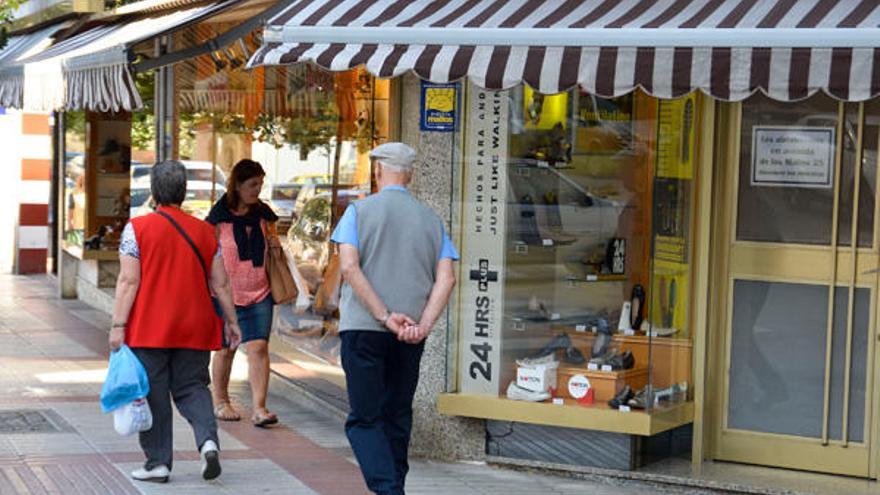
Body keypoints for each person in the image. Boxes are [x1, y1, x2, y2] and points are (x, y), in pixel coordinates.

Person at [331, 142, 458, 495]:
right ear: (411, 174)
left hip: (363, 329)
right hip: (410, 336)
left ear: (377, 171)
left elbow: (349, 267)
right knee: (397, 416)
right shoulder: (432, 220)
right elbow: (447, 278)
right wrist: (423, 325)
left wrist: (384, 316)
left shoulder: (357, 212)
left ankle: (389, 490)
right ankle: (395, 486)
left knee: (364, 419)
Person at [109, 160, 242, 483]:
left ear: (154, 191)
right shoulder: (205, 232)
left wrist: (117, 325)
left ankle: (158, 464)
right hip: (195, 324)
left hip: (149, 327)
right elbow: (221, 283)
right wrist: (232, 321)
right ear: (183, 192)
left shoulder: (136, 229)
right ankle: (208, 442)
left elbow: (129, 281)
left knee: (154, 393)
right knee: (193, 387)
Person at [207, 159, 280, 427]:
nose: (257, 190)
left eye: (260, 184)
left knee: (259, 346)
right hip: (225, 294)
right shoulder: (218, 218)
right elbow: (208, 254)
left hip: (260, 291)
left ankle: (259, 408)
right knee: (226, 349)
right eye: (252, 184)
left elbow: (275, 253)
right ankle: (221, 401)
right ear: (237, 185)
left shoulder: (265, 216)